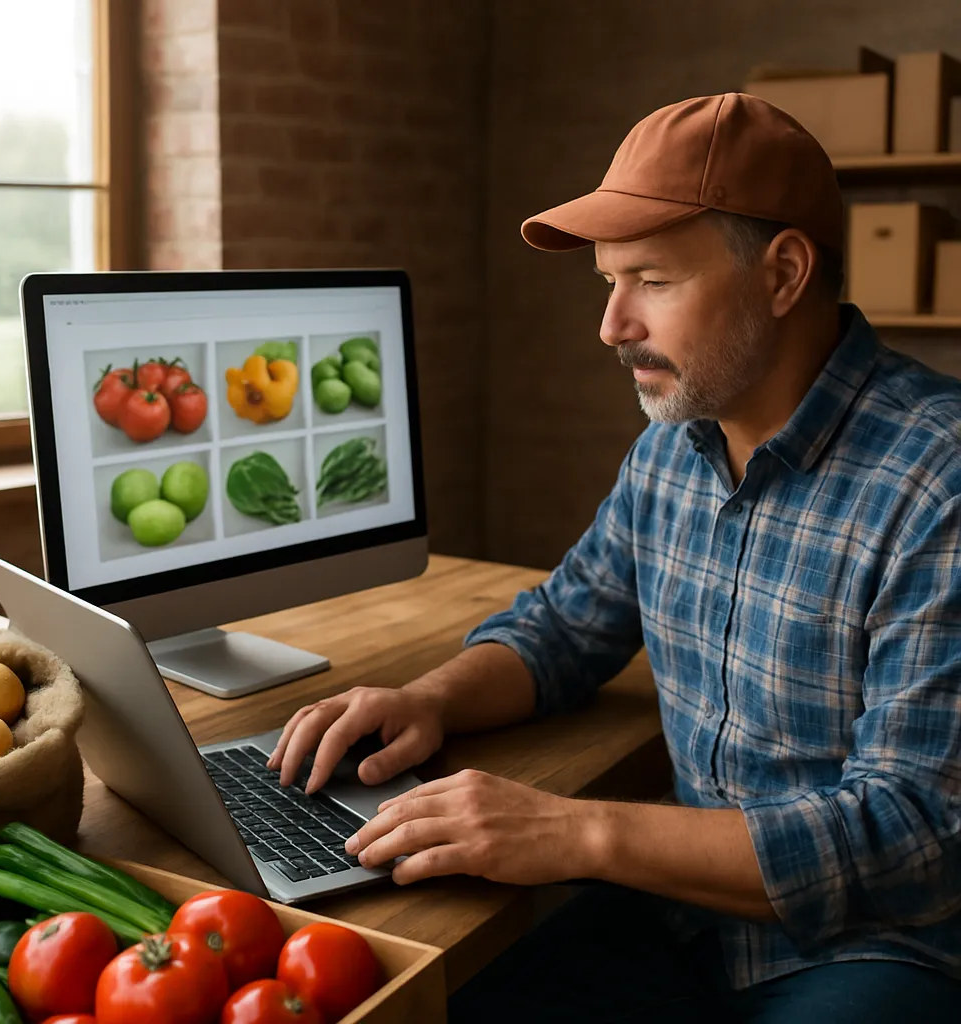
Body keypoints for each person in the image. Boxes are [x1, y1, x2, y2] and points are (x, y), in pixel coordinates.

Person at [267, 93, 961, 1021]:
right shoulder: (671, 451)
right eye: (607, 281)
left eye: (652, 280)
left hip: (876, 948)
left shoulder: (939, 479)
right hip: (680, 918)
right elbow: (564, 625)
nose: (612, 324)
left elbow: (910, 835)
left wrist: (577, 833)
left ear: (785, 274)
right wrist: (428, 701)